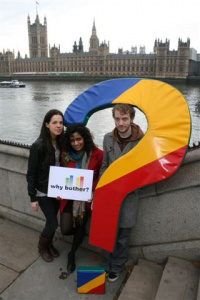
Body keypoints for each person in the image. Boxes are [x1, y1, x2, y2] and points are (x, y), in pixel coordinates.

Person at [99, 103, 144, 282]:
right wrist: (101, 189)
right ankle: (106, 263)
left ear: (131, 119)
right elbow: (104, 166)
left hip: (129, 197)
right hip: (110, 195)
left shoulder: (142, 141)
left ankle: (116, 267)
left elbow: (145, 172)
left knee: (123, 236)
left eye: (124, 119)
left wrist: (134, 188)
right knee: (107, 232)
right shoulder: (107, 138)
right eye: (117, 119)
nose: (121, 123)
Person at [59, 123, 103, 274]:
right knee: (65, 229)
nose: (76, 143)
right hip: (69, 197)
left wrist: (93, 190)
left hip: (85, 199)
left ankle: (72, 254)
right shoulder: (65, 154)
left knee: (80, 226)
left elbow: (101, 176)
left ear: (85, 138)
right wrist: (58, 189)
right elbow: (61, 176)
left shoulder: (98, 154)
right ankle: (80, 234)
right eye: (72, 140)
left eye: (79, 139)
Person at [27, 109, 64, 262]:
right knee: (52, 223)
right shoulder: (38, 146)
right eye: (54, 122)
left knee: (53, 221)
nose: (58, 126)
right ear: (47, 124)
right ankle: (42, 247)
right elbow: (31, 173)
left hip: (57, 189)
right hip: (43, 191)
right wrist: (32, 197)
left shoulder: (62, 142)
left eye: (61, 122)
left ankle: (48, 245)